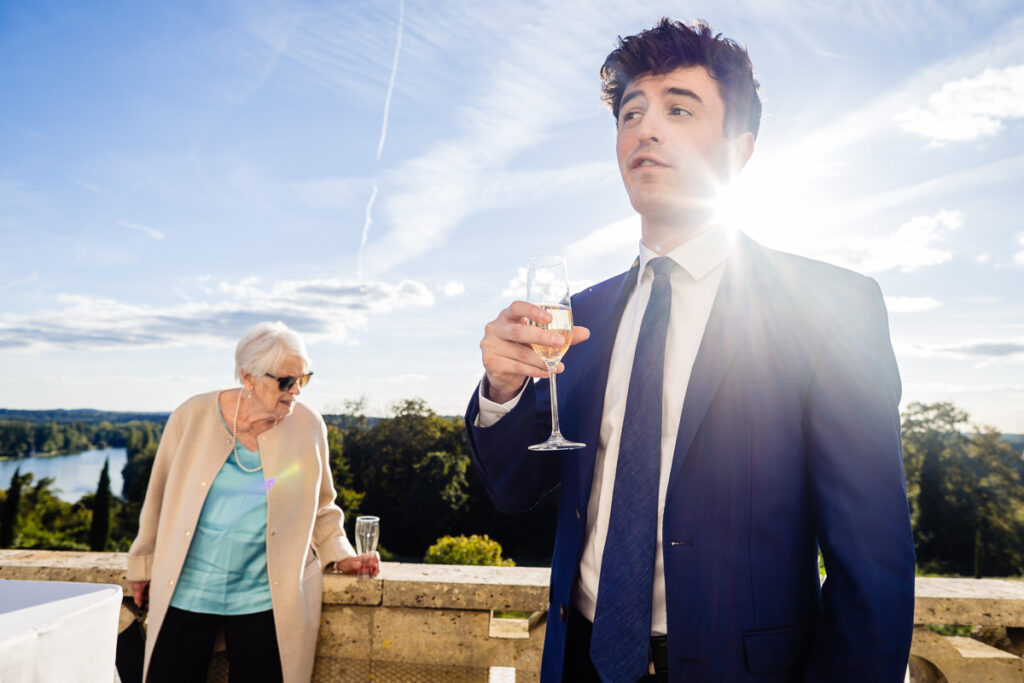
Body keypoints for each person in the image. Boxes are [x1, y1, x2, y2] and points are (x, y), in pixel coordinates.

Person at [466, 18, 915, 683]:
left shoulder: (828, 308)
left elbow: (871, 572)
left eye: (679, 108)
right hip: (580, 662)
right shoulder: (582, 315)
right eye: (630, 112)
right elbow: (513, 490)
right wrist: (502, 391)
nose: (645, 127)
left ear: (740, 150)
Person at [127, 321, 378, 683]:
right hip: (188, 589)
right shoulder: (192, 415)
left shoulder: (308, 426)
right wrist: (142, 563)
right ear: (248, 377)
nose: (296, 392)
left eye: (303, 379)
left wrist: (343, 555)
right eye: (285, 382)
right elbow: (159, 496)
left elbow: (322, 506)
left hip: (267, 599)